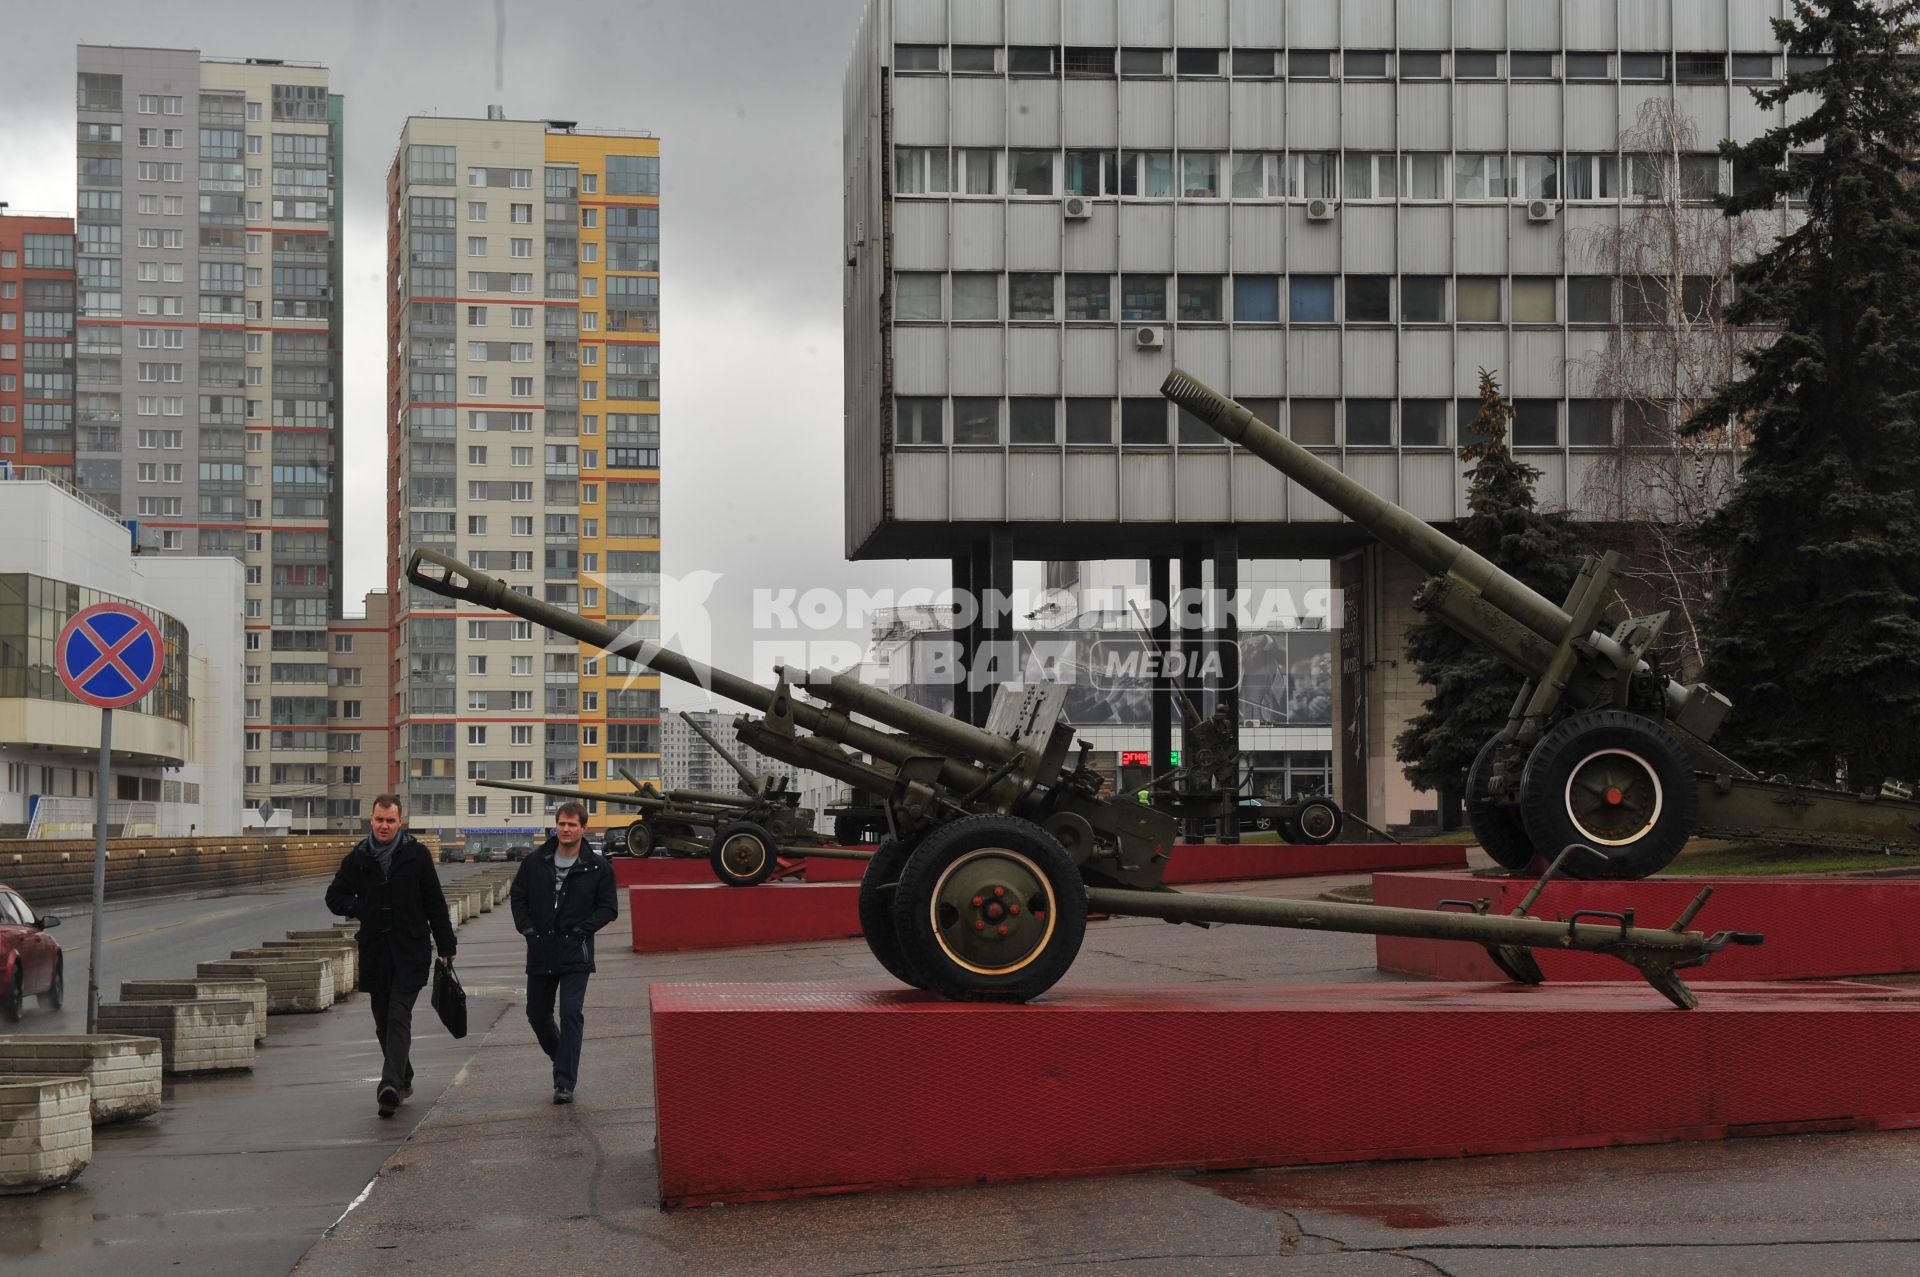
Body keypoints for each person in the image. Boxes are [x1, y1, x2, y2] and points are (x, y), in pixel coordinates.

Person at [325, 795, 456, 1118]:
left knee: (399, 1015)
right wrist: (359, 907)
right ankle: (404, 1075)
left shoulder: (416, 855)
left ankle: (389, 1086)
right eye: (379, 820)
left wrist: (447, 945)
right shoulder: (358, 857)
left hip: (411, 950)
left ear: (401, 823)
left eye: (390, 821)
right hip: (375, 952)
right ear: (371, 820)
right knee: (383, 1022)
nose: (384, 826)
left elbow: (435, 903)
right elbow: (334, 896)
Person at [510, 800, 618, 1104]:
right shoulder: (535, 861)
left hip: (575, 953)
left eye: (572, 824)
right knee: (537, 1015)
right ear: (555, 826)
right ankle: (563, 1058)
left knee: (571, 1014)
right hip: (541, 950)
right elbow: (518, 896)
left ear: (584, 828)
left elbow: (609, 908)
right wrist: (528, 930)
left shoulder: (598, 867)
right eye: (562, 824)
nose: (566, 829)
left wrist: (582, 930)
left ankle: (564, 1082)